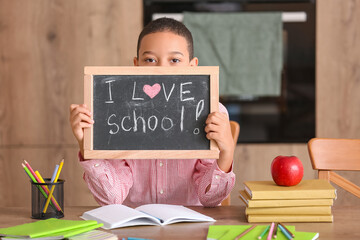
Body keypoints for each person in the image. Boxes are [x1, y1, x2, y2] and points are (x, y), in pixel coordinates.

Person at [69, 17, 236, 207]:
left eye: (174, 60)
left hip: (190, 229)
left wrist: (227, 153)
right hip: (135, 230)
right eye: (150, 60)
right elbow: (111, 198)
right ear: (136, 65)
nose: (162, 69)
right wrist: (87, 145)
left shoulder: (211, 113)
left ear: (192, 66)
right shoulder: (115, 112)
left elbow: (210, 199)